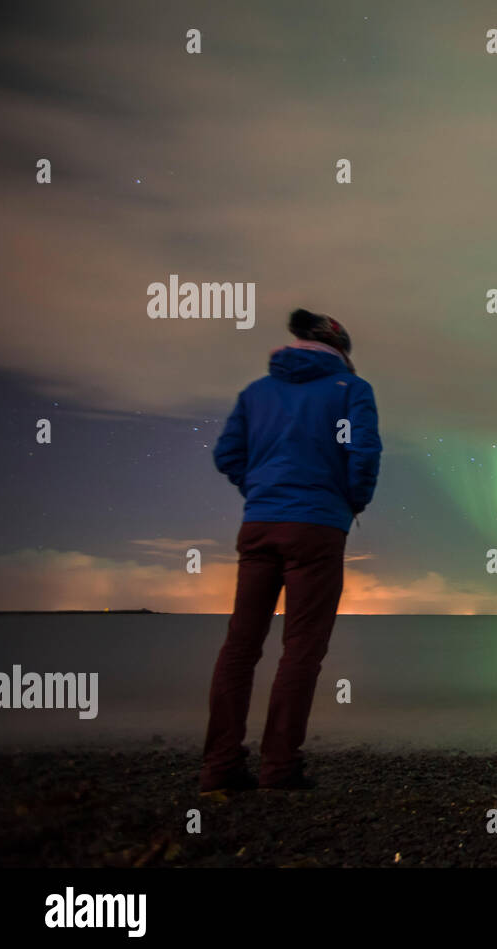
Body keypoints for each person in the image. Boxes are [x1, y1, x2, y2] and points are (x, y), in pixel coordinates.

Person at [200, 309, 381, 792]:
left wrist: (259, 488)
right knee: (301, 649)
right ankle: (278, 768)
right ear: (340, 350)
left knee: (240, 648)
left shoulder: (255, 393)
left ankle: (219, 768)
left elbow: (227, 456)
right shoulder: (352, 391)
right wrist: (350, 501)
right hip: (318, 529)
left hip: (259, 525)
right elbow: (363, 454)